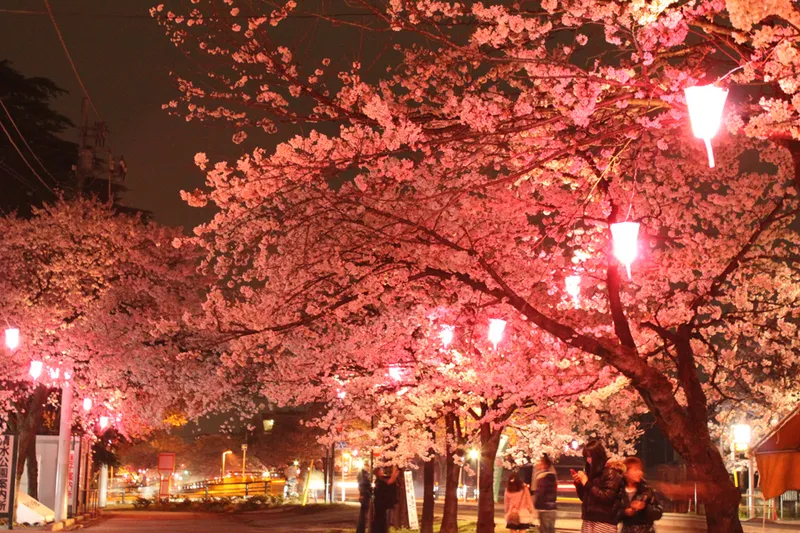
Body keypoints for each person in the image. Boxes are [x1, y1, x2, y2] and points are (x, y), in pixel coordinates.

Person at [571, 439, 624, 533]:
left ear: (598, 456)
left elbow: (606, 497)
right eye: (586, 457)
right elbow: (585, 498)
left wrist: (587, 483)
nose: (588, 460)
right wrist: (579, 484)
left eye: (590, 456)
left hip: (604, 522)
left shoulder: (611, 473)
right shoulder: (592, 473)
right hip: (589, 519)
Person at [618, 457, 663, 533]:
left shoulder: (647, 490)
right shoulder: (619, 490)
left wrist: (644, 507)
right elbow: (613, 514)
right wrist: (625, 512)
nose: (640, 472)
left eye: (640, 469)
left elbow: (658, 513)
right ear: (626, 473)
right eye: (635, 470)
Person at [371, 465, 399, 533]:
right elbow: (390, 481)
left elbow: (391, 480)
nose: (382, 471)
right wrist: (395, 470)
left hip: (380, 503)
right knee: (380, 518)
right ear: (378, 473)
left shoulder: (380, 479)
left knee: (381, 517)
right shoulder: (380, 480)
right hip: (380, 504)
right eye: (380, 471)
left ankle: (379, 530)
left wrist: (395, 472)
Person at [534, 454, 557, 533]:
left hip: (544, 508)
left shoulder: (541, 477)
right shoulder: (553, 476)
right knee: (551, 529)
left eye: (540, 462)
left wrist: (536, 504)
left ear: (544, 464)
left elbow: (541, 492)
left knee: (544, 530)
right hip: (552, 507)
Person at [356, 467, 372, 533]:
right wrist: (362, 494)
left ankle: (361, 529)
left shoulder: (364, 473)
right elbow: (362, 484)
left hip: (365, 494)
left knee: (363, 513)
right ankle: (361, 530)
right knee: (363, 513)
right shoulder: (362, 473)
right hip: (365, 494)